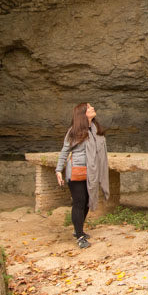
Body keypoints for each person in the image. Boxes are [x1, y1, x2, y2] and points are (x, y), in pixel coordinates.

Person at [55, 102, 110, 248]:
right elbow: (64, 151)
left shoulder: (95, 129)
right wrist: (58, 170)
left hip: (92, 172)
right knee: (79, 202)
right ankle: (79, 236)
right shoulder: (74, 131)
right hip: (77, 171)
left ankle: (78, 230)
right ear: (83, 113)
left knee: (87, 201)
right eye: (89, 107)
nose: (92, 108)